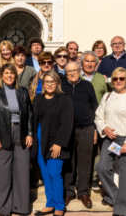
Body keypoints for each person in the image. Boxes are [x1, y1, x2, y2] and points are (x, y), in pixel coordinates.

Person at [0, 63, 33, 216]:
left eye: (12, 73)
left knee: (22, 171)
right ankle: (3, 208)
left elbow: (30, 114)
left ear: (16, 75)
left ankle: (21, 207)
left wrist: (30, 133)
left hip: (21, 132)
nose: (9, 76)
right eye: (6, 73)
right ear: (1, 75)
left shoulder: (23, 91)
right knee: (2, 173)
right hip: (2, 133)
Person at [95, 67, 126, 216]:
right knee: (102, 167)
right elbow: (98, 116)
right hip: (111, 140)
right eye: (115, 78)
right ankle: (114, 196)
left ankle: (121, 210)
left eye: (121, 78)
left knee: (125, 174)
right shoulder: (107, 96)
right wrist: (105, 128)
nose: (118, 81)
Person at [32, 71, 74, 216]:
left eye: (52, 81)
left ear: (57, 83)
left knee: (54, 173)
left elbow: (67, 123)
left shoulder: (64, 99)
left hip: (55, 141)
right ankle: (49, 204)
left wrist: (59, 143)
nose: (49, 84)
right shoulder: (38, 98)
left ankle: (59, 206)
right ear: (43, 84)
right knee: (45, 174)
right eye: (46, 82)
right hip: (39, 138)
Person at [61, 62, 98, 209]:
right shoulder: (61, 86)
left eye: (74, 70)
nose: (72, 73)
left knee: (85, 161)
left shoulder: (88, 86)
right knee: (68, 161)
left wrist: (95, 129)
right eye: (69, 71)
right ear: (66, 73)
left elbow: (95, 107)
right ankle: (69, 191)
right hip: (67, 130)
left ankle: (83, 191)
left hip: (86, 128)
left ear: (79, 70)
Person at [80, 51, 108, 189]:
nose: (89, 64)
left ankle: (95, 178)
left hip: (98, 119)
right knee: (82, 150)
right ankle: (81, 179)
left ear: (96, 64)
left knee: (97, 150)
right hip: (81, 120)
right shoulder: (76, 76)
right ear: (82, 63)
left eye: (92, 61)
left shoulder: (101, 78)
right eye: (87, 61)